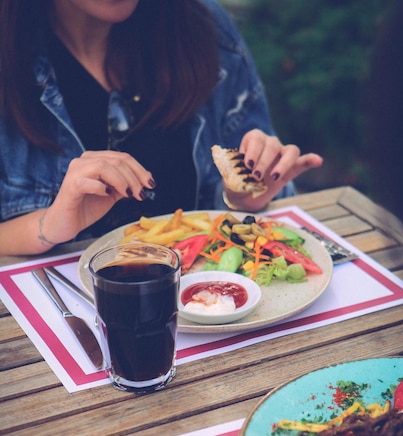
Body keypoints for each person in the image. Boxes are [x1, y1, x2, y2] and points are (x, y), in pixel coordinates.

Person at [118, 0, 403, 436]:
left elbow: (253, 193)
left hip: (239, 353)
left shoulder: (203, 29)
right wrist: (41, 226)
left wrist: (246, 197)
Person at [0, 0, 322, 256]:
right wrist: (49, 226)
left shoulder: (205, 27)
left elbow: (243, 201)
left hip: (211, 302)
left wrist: (243, 198)